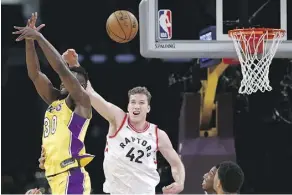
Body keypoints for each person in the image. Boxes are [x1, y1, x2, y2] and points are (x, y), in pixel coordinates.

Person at [39, 49, 185, 194]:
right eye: (133, 102)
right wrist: (76, 65)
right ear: (128, 106)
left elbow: (176, 163)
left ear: (148, 108)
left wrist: (179, 182)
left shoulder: (158, 134)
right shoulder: (118, 118)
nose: (136, 106)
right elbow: (90, 94)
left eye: (141, 103)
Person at [13, 13, 94, 194]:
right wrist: (29, 41)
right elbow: (35, 74)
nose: (64, 81)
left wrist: (40, 37)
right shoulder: (55, 101)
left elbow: (61, 69)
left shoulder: (82, 102)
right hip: (54, 177)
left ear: (80, 85)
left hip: (72, 177)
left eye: (72, 79)